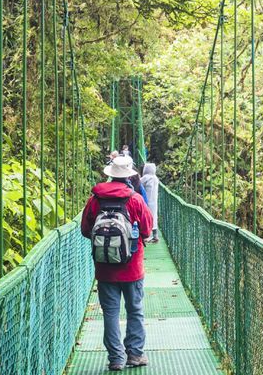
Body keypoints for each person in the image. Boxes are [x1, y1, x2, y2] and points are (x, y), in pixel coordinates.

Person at [80, 156, 154, 371]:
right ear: (130, 174)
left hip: (105, 269)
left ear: (110, 173)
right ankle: (135, 354)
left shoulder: (95, 199)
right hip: (132, 267)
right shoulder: (135, 199)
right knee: (135, 310)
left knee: (110, 313)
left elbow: (86, 230)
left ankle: (116, 358)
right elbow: (147, 231)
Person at [140, 163, 160, 242]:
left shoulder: (146, 177)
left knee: (147, 218)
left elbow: (138, 183)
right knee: (154, 217)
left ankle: (147, 235)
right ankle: (155, 235)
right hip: (154, 201)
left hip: (146, 201)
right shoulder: (155, 178)